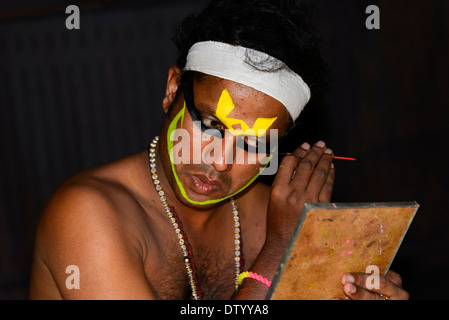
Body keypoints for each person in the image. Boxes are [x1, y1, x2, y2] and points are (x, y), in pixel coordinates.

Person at [29, 0, 409, 300]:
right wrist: (279, 252)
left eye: (253, 143)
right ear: (173, 90)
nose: (220, 161)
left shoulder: (270, 214)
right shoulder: (87, 214)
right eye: (211, 125)